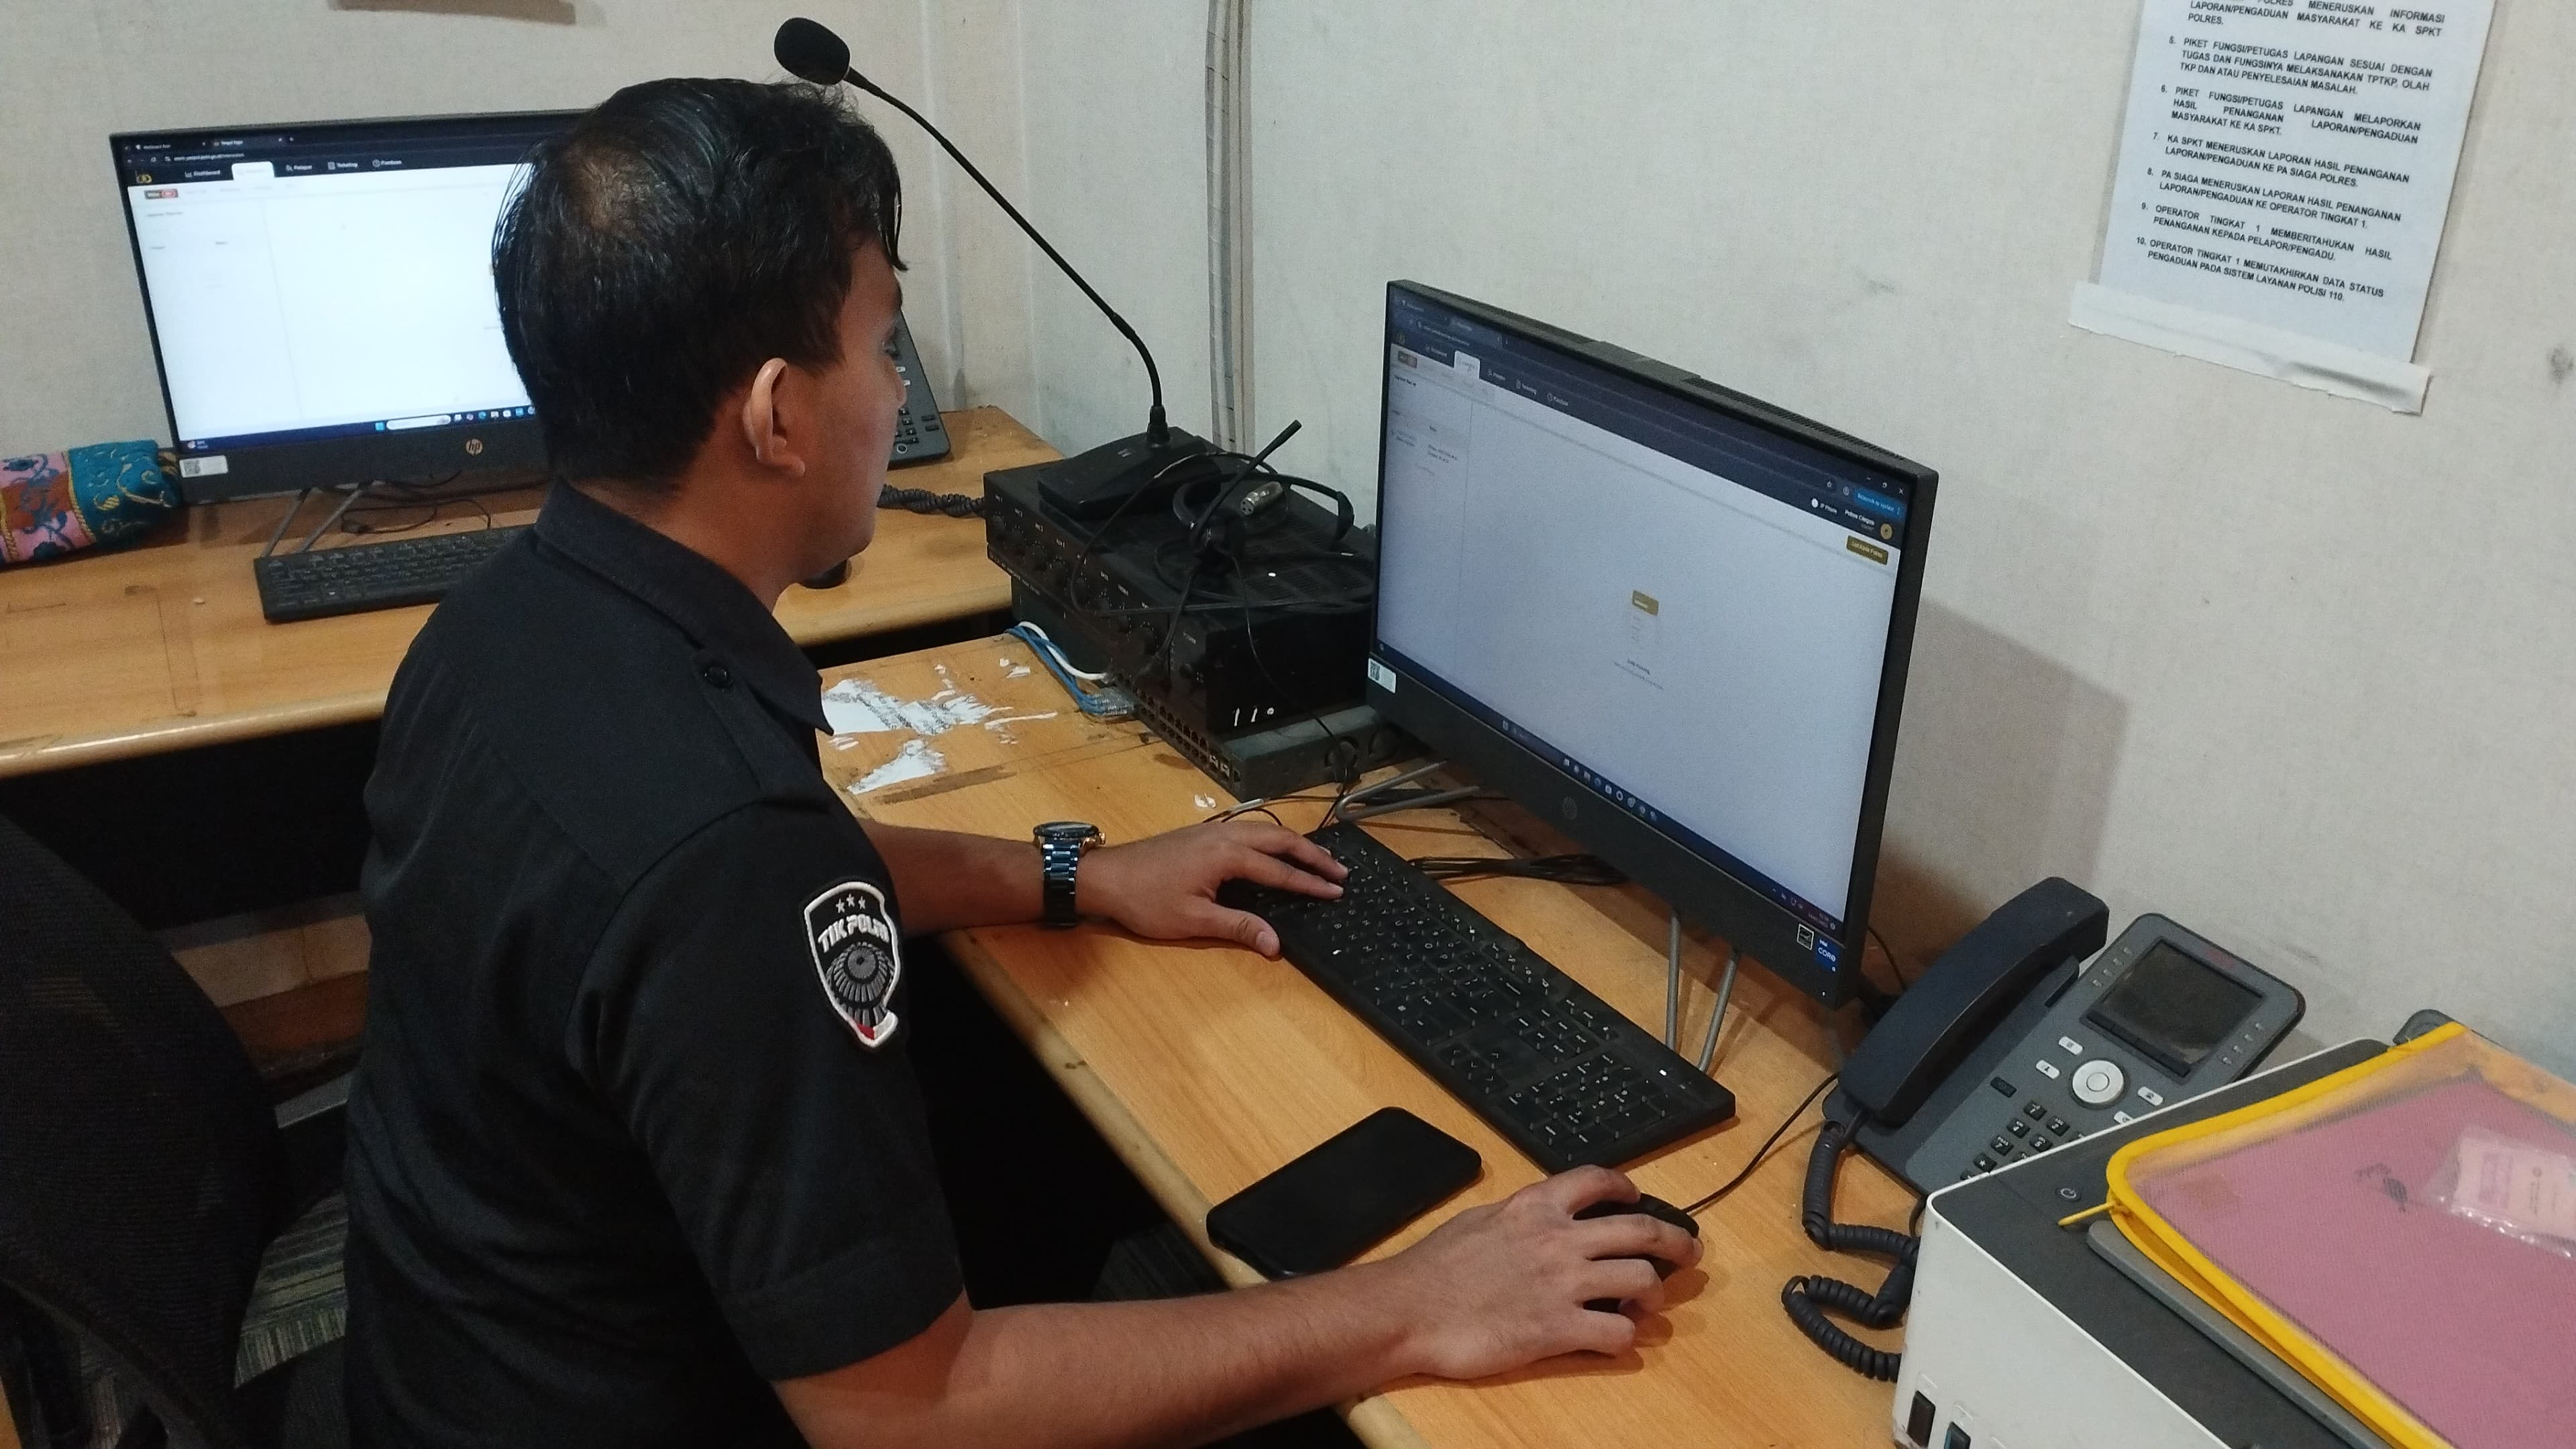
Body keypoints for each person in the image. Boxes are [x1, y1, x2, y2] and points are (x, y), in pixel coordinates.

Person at [342, 76, 1699, 1449]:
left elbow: (753, 888)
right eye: (883, 346)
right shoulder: (725, 853)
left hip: (456, 1367)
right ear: (775, 416)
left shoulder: (503, 627)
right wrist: (1413, 1303)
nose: (898, 390)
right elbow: (907, 1415)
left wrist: (1077, 875)